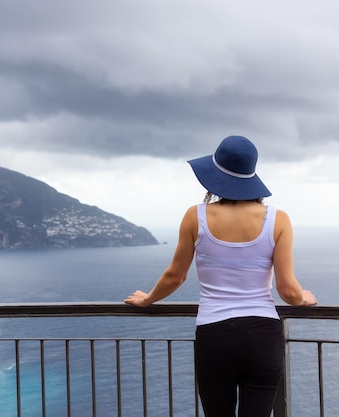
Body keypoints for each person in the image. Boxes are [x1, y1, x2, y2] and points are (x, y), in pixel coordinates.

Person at [124, 135, 317, 417]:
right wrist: (303, 298)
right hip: (262, 336)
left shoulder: (196, 216)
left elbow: (175, 276)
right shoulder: (278, 219)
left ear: (215, 176)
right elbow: (287, 290)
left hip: (214, 336)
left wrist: (148, 299)